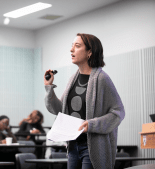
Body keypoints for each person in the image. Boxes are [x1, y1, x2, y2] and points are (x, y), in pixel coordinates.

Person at [44, 33, 125, 169]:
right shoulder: (72, 79)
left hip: (92, 148)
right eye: (72, 46)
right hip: (73, 146)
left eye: (77, 46)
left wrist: (92, 125)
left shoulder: (101, 79)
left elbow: (119, 113)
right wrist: (49, 88)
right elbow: (58, 109)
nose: (71, 50)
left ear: (89, 52)